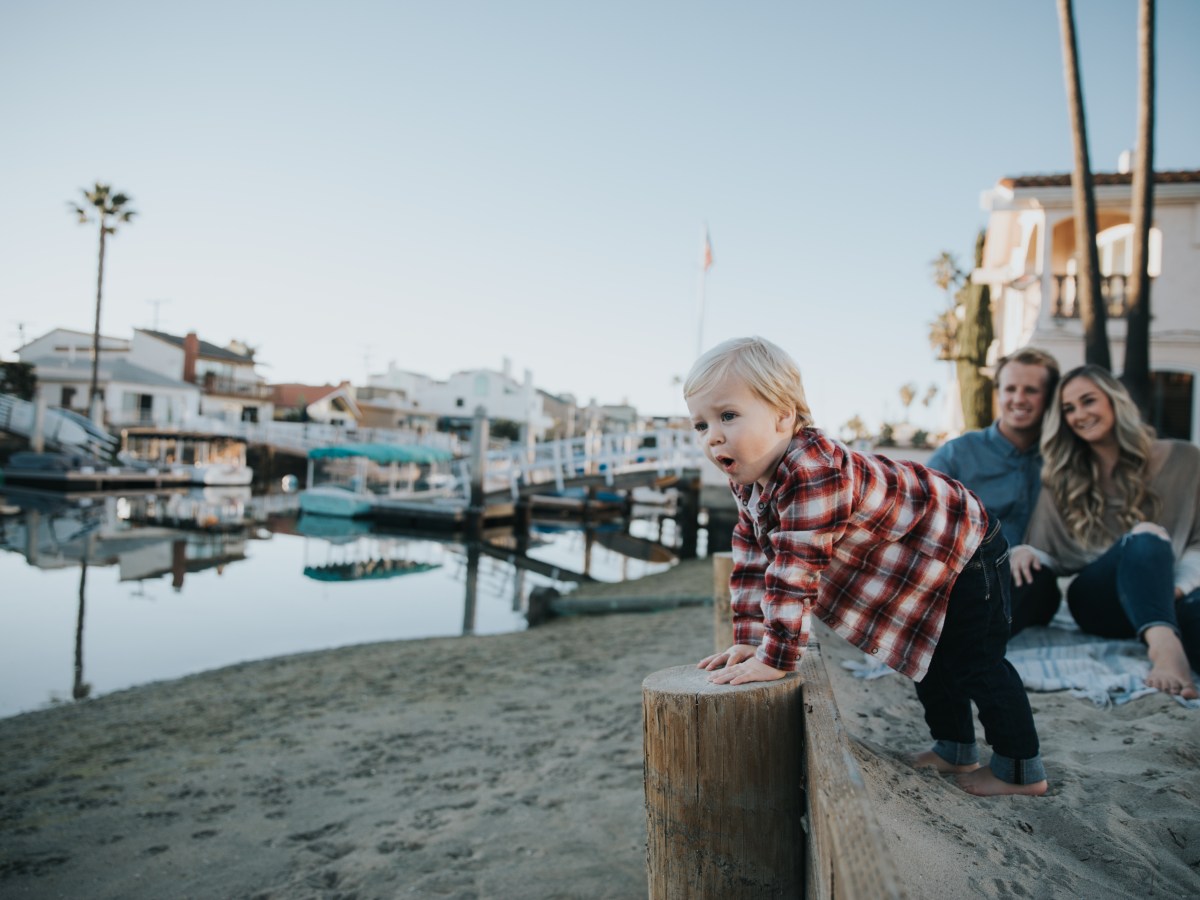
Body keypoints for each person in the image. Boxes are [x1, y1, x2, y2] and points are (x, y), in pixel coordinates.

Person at [685, 336, 1047, 797]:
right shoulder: (754, 479)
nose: (712, 435)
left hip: (967, 543)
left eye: (728, 415)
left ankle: (1019, 769)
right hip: (925, 555)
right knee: (931, 654)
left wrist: (776, 658)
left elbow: (795, 570)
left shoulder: (812, 472)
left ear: (783, 416)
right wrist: (751, 640)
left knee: (975, 660)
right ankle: (955, 749)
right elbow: (756, 558)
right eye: (701, 424)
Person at [1012, 365, 1200, 699]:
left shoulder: (1185, 459)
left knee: (1194, 612)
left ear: (1114, 401)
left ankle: (1168, 637)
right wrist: (1027, 551)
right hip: (1099, 601)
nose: (1079, 415)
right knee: (1145, 534)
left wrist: (1176, 590)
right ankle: (1164, 649)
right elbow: (1047, 551)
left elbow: (1197, 544)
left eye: (1088, 401)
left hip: (1167, 594)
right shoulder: (1062, 476)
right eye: (1069, 408)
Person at [927, 348, 1062, 634]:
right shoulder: (958, 454)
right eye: (1010, 388)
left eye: (1031, 390)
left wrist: (1032, 553)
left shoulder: (1061, 460)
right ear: (998, 393)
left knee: (1041, 582)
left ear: (1049, 398)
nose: (1018, 399)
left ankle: (971, 639)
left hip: (1026, 582)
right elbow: (922, 517)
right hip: (963, 579)